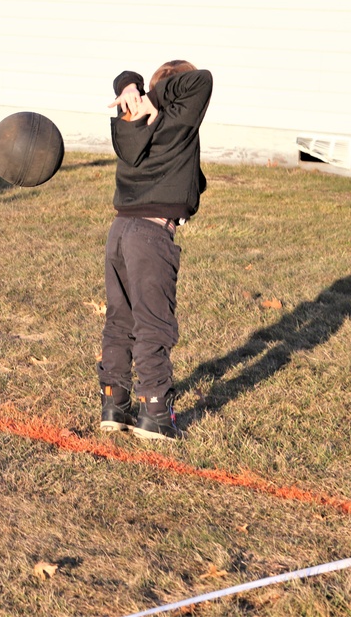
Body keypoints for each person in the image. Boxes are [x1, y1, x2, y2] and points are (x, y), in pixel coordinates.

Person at [97, 60, 213, 440]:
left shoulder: (128, 121)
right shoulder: (175, 119)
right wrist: (154, 97)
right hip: (150, 237)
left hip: (119, 230)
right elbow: (202, 81)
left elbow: (188, 177)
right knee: (153, 325)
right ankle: (155, 412)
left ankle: (114, 404)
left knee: (120, 320)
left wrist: (131, 87)